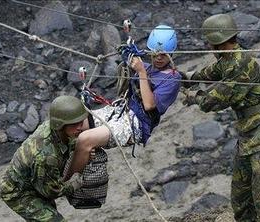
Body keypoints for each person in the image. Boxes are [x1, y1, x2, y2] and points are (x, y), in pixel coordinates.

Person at [184, 14, 260, 221]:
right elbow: (210, 72)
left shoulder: (240, 64)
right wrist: (187, 78)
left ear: (214, 42)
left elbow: (213, 101)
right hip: (250, 135)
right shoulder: (227, 58)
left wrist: (193, 97)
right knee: (241, 198)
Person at [64, 24, 182, 180]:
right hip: (121, 111)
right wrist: (128, 55)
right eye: (155, 54)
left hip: (137, 124)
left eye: (164, 55)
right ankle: (63, 164)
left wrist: (141, 72)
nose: (159, 58)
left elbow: (149, 105)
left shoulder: (172, 79)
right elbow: (127, 65)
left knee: (85, 139)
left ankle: (66, 183)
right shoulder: (146, 67)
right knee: (74, 122)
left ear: (172, 54)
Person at [0, 95, 87, 221]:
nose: (80, 127)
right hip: (18, 192)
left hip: (35, 183)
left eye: (81, 121)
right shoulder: (46, 156)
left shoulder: (56, 130)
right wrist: (74, 184)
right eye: (74, 123)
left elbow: (65, 144)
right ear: (60, 124)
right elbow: (51, 191)